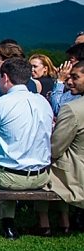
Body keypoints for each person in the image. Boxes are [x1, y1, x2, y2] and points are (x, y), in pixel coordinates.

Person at [0, 57, 53, 239]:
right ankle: (13, 224)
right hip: (41, 175)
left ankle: (3, 224)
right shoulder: (43, 102)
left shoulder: (0, 104)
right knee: (6, 163)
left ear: (5, 77)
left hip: (9, 177)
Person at [38, 61, 84, 234]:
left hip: (76, 176)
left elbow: (56, 148)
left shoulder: (72, 109)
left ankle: (44, 223)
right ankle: (63, 220)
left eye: (75, 77)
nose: (69, 82)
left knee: (38, 170)